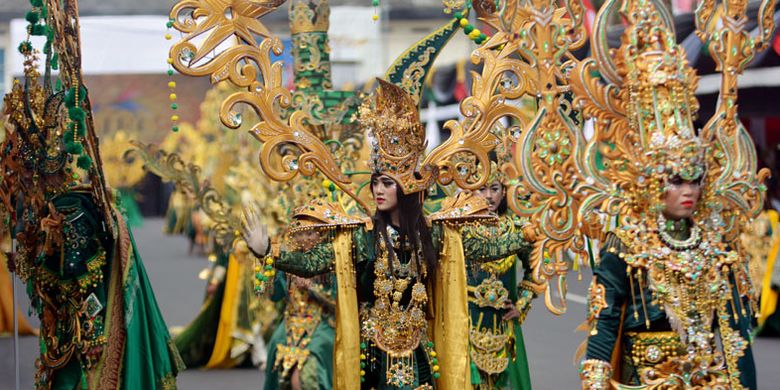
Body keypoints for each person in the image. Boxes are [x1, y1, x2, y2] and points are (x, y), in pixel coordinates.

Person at [244, 80, 532, 389]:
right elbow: (316, 260)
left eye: (387, 183)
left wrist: (534, 230)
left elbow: (489, 245)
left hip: (419, 352)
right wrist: (268, 250)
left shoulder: (433, 233)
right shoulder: (363, 235)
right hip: (374, 355)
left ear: (406, 187)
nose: (379, 190)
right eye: (376, 182)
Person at [469, 162, 539, 389]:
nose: (488, 196)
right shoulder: (459, 228)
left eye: (495, 188)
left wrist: (521, 304)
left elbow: (537, 268)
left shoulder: (518, 228)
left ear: (504, 191)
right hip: (466, 324)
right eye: (482, 189)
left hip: (504, 326)